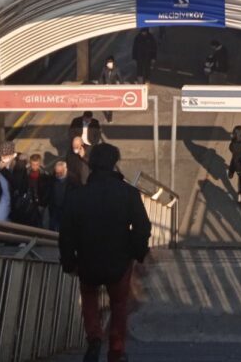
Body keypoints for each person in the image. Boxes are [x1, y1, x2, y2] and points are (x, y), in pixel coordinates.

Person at [60, 143, 151, 362]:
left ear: (91, 165)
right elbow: (143, 227)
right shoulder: (128, 193)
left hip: (87, 259)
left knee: (89, 298)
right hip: (118, 260)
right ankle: (116, 350)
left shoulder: (77, 196)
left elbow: (66, 232)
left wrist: (69, 262)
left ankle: (94, 338)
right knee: (119, 304)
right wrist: (136, 252)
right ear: (114, 163)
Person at [0, 142, 26, 223]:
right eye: (1, 156)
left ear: (12, 155)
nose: (3, 158)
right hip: (3, 198)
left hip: (13, 200)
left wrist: (3, 170)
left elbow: (16, 184)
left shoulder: (19, 165)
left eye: (5, 156)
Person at [13, 153, 51, 228]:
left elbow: (47, 191)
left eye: (36, 164)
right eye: (33, 164)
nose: (34, 167)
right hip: (28, 200)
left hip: (40, 202)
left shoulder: (45, 175)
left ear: (40, 163)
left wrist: (43, 203)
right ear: (30, 163)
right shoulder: (26, 173)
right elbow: (22, 185)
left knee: (40, 219)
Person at [98, 56, 123, 123]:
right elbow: (100, 77)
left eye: (110, 62)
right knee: (105, 102)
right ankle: (108, 115)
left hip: (112, 88)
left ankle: (109, 118)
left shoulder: (116, 69)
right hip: (105, 87)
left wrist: (121, 87)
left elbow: (120, 78)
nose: (109, 63)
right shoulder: (104, 69)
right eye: (108, 62)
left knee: (110, 104)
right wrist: (100, 85)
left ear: (113, 62)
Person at [48, 161, 70, 232]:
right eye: (56, 172)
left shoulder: (72, 181)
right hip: (54, 208)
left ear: (65, 170)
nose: (58, 175)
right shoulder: (53, 178)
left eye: (60, 172)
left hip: (65, 210)